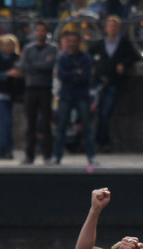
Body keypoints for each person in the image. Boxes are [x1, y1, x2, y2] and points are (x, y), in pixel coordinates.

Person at [90, 15, 142, 153]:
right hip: (99, 83)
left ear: (118, 28)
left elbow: (134, 56)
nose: (112, 29)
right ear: (106, 28)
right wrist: (96, 65)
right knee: (97, 113)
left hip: (113, 82)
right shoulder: (100, 43)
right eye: (109, 26)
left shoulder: (124, 43)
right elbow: (89, 55)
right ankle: (99, 141)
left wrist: (123, 64)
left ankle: (103, 142)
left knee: (106, 113)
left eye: (114, 26)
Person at [53, 31, 97, 167]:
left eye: (74, 41)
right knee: (61, 127)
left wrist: (71, 75)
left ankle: (91, 156)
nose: (72, 43)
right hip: (66, 95)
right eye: (69, 41)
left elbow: (85, 76)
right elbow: (61, 75)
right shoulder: (63, 58)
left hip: (81, 95)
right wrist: (76, 73)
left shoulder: (85, 58)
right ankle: (57, 156)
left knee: (87, 127)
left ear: (79, 42)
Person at [19, 21, 57, 165]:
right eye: (38, 30)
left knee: (46, 123)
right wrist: (40, 66)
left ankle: (47, 155)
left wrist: (33, 66)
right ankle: (29, 155)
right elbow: (23, 66)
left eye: (42, 30)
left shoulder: (53, 48)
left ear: (46, 32)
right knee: (31, 124)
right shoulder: (28, 48)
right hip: (30, 88)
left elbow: (49, 65)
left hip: (45, 88)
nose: (40, 33)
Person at [0, 34, 23, 160]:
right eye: (7, 46)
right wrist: (7, 74)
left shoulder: (15, 57)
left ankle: (8, 149)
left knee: (8, 122)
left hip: (11, 91)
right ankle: (3, 149)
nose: (10, 49)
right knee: (6, 120)